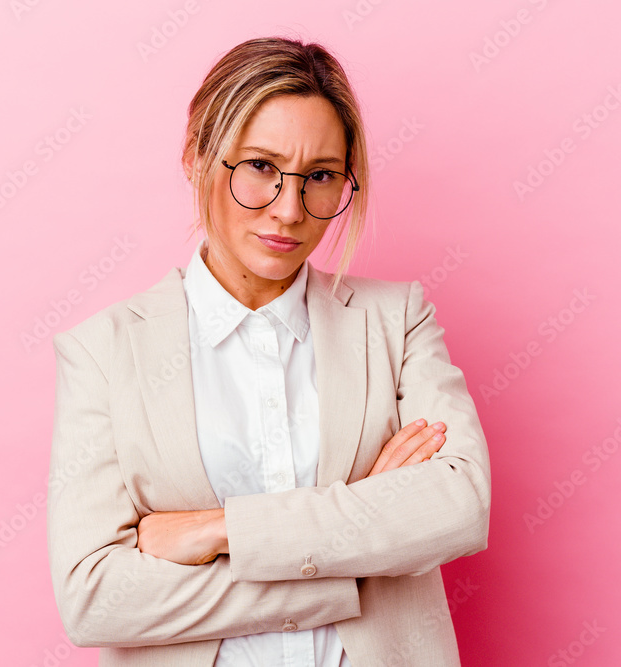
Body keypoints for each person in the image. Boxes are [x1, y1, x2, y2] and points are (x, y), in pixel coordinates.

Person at [47, 36, 491, 666]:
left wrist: (219, 529)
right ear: (197, 157)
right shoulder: (104, 352)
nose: (288, 210)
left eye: (321, 176)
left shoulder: (396, 321)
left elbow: (459, 505)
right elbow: (93, 600)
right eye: (259, 165)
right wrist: (355, 546)